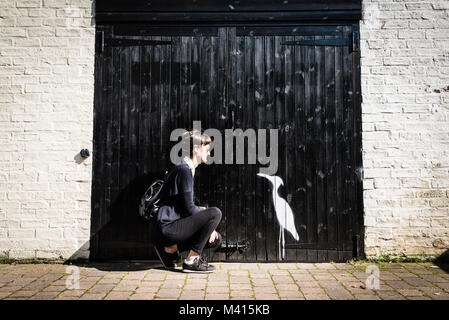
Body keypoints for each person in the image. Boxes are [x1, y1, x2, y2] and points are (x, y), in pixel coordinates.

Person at [153, 129, 222, 273]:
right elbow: (190, 209)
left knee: (216, 239)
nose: (209, 153)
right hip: (168, 226)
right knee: (215, 213)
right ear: (196, 149)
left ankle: (169, 249)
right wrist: (206, 215)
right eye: (207, 149)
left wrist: (209, 226)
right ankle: (191, 260)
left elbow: (186, 206)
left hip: (170, 226)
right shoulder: (184, 170)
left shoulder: (184, 168)